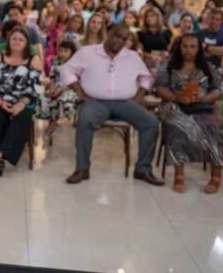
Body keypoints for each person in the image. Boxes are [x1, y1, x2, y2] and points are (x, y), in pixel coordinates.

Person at [61, 24, 164, 185]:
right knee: (85, 119)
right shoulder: (87, 52)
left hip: (125, 103)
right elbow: (67, 70)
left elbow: (146, 77)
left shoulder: (132, 56)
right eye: (117, 36)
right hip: (96, 102)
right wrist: (79, 92)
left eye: (124, 39)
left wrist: (139, 97)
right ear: (108, 33)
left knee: (151, 122)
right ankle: (82, 169)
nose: (120, 41)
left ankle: (143, 169)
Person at [156, 34, 223, 193]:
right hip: (175, 106)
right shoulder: (168, 66)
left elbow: (218, 90)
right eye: (185, 46)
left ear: (198, 48)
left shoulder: (208, 67)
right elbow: (159, 88)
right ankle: (179, 174)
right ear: (179, 48)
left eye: (192, 47)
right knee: (177, 125)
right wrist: (176, 97)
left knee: (216, 128)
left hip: (203, 107)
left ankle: (216, 176)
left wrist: (205, 98)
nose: (188, 50)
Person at [0, 26, 43, 176]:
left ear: (27, 43)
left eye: (21, 39)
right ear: (8, 41)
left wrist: (21, 103)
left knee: (23, 115)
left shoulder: (34, 59)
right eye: (14, 38)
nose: (17, 42)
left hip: (25, 100)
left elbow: (36, 87)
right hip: (1, 98)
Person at [39, 40, 79, 140]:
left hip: (70, 87)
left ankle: (62, 121)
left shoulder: (75, 63)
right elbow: (52, 77)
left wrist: (60, 90)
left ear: (72, 52)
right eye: (61, 50)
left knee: (64, 99)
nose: (62, 53)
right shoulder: (56, 61)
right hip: (56, 87)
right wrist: (52, 88)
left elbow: (74, 81)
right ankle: (52, 125)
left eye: (66, 51)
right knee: (46, 98)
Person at [138, 7, 172, 73]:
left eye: (152, 16)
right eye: (147, 16)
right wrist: (151, 56)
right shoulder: (141, 33)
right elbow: (140, 51)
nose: (149, 18)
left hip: (163, 62)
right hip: (148, 63)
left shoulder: (166, 32)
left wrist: (165, 55)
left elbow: (170, 50)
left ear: (158, 17)